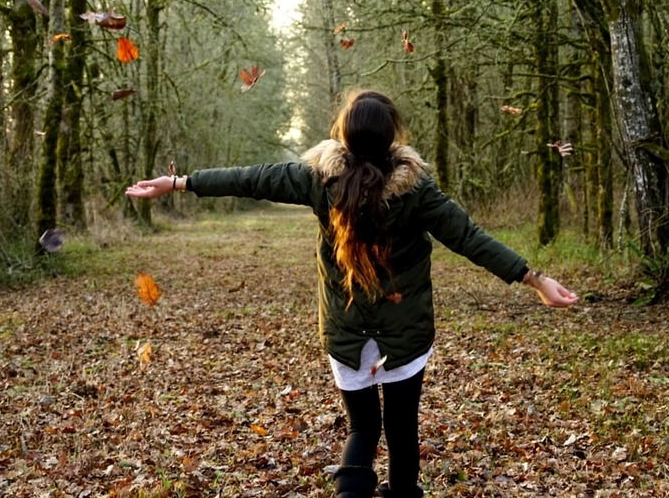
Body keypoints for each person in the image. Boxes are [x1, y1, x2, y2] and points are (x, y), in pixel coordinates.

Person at [125, 89, 577, 498]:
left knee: (362, 427)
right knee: (402, 431)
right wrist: (535, 280)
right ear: (393, 138)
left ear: (342, 133)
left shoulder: (316, 178)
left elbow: (250, 178)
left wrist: (179, 182)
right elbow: (471, 238)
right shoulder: (418, 192)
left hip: (347, 334)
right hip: (405, 336)